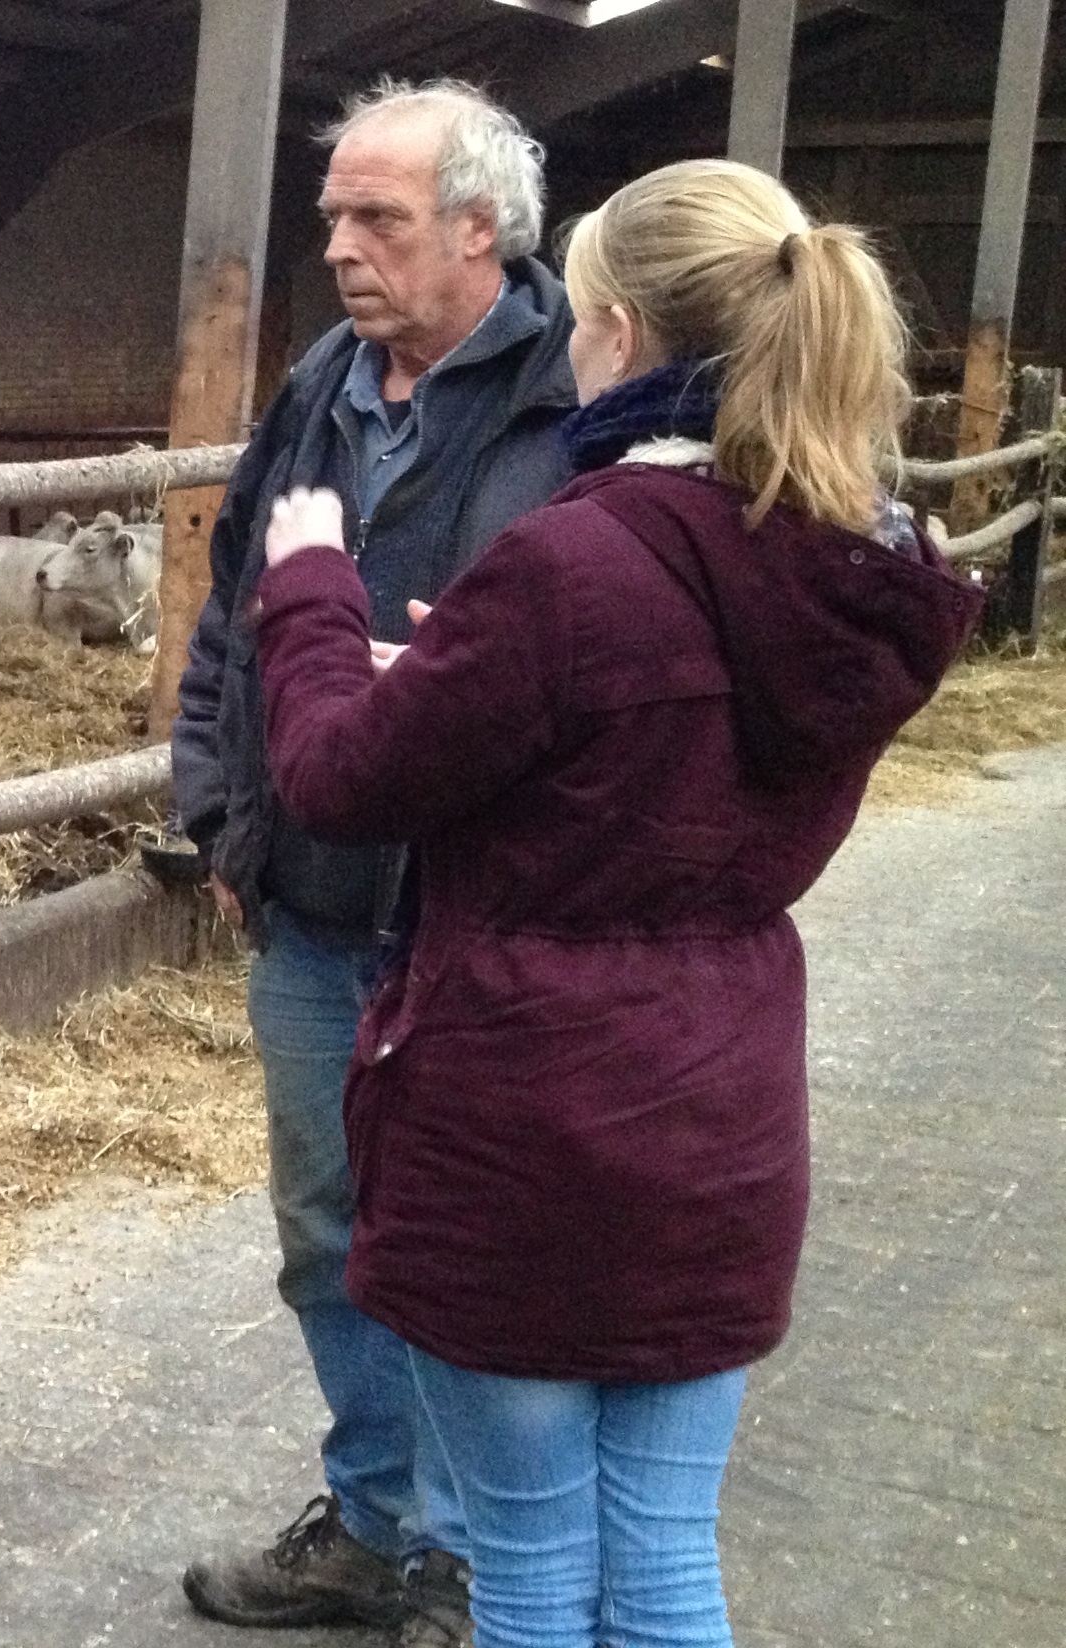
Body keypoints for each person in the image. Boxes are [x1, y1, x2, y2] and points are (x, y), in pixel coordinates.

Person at [246, 160, 982, 1648]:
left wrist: (310, 592)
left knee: (528, 1569)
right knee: (660, 1563)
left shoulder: (575, 561)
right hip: (720, 1111)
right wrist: (474, 671)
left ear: (622, 333)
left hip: (527, 1120)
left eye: (577, 321)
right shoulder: (856, 566)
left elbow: (334, 777)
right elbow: (659, 739)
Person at [175, 79, 576, 1647]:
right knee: (326, 1230)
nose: (339, 246)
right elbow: (233, 608)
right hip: (316, 902)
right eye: (331, 215)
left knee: (472, 1245)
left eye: (377, 219)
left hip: (479, 915)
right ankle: (369, 1523)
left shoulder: (570, 400)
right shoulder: (318, 388)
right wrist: (223, 812)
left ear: (478, 230)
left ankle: (470, 1557)